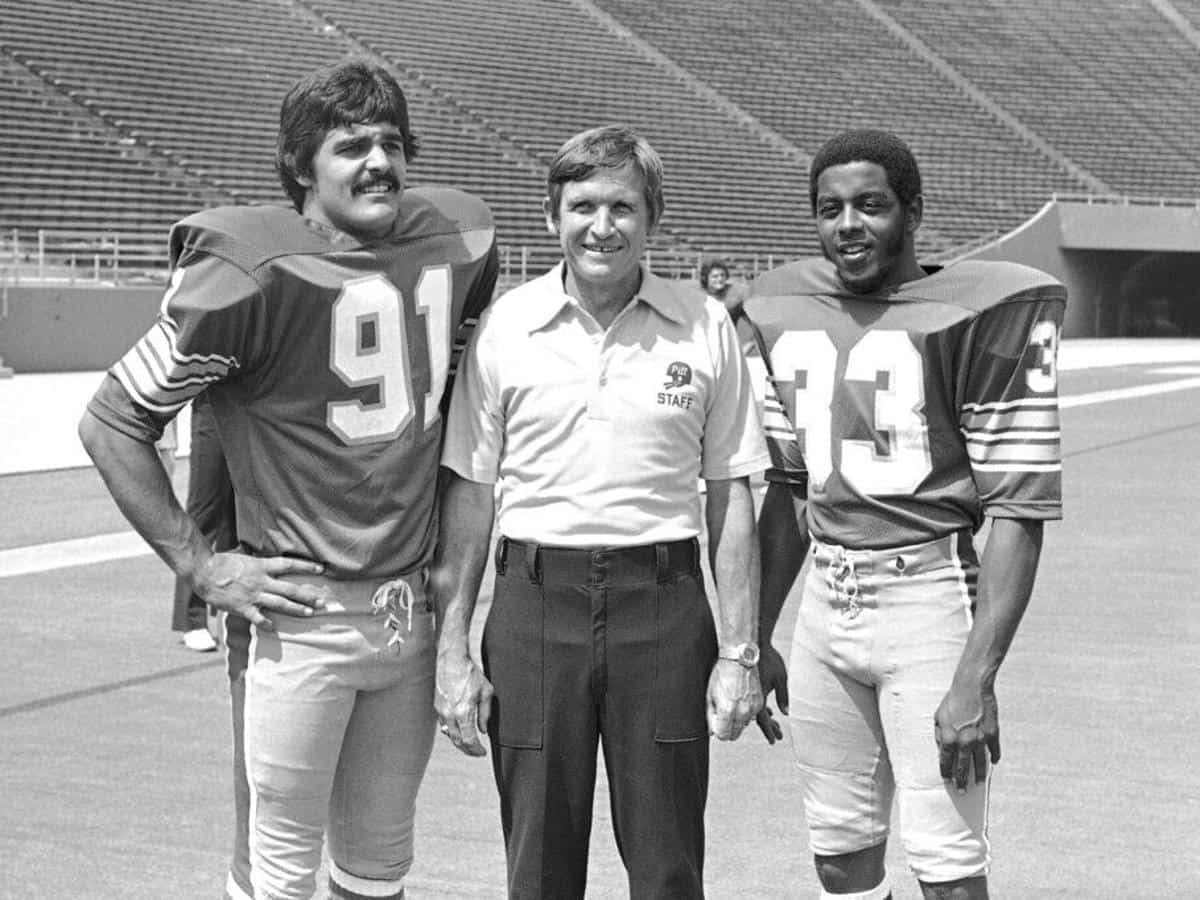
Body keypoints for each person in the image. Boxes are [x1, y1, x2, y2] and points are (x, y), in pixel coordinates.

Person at [77, 58, 498, 900]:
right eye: (350, 147)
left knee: (380, 869)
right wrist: (200, 565)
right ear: (303, 168)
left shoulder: (454, 243)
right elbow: (112, 419)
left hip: (404, 613)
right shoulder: (248, 271)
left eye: (390, 142)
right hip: (296, 618)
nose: (378, 162)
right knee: (276, 873)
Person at [430, 125, 770, 899]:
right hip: (535, 606)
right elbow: (471, 499)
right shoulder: (505, 330)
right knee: (540, 864)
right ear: (552, 217)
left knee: (668, 863)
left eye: (623, 205)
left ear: (653, 218)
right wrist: (452, 654)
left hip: (663, 606)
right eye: (582, 204)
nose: (602, 225)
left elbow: (732, 496)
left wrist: (740, 651)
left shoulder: (703, 324)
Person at [746, 129, 1066, 900]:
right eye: (830, 209)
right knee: (839, 855)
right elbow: (791, 490)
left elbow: (1018, 516)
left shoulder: (974, 311)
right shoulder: (783, 313)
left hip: (926, 598)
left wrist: (975, 680)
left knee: (948, 870)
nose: (848, 224)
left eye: (870, 205)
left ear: (913, 212)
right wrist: (754, 633)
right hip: (827, 604)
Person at [171, 393, 234, 653]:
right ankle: (192, 619)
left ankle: (231, 612)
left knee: (240, 514)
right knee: (204, 512)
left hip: (257, 403)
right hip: (214, 403)